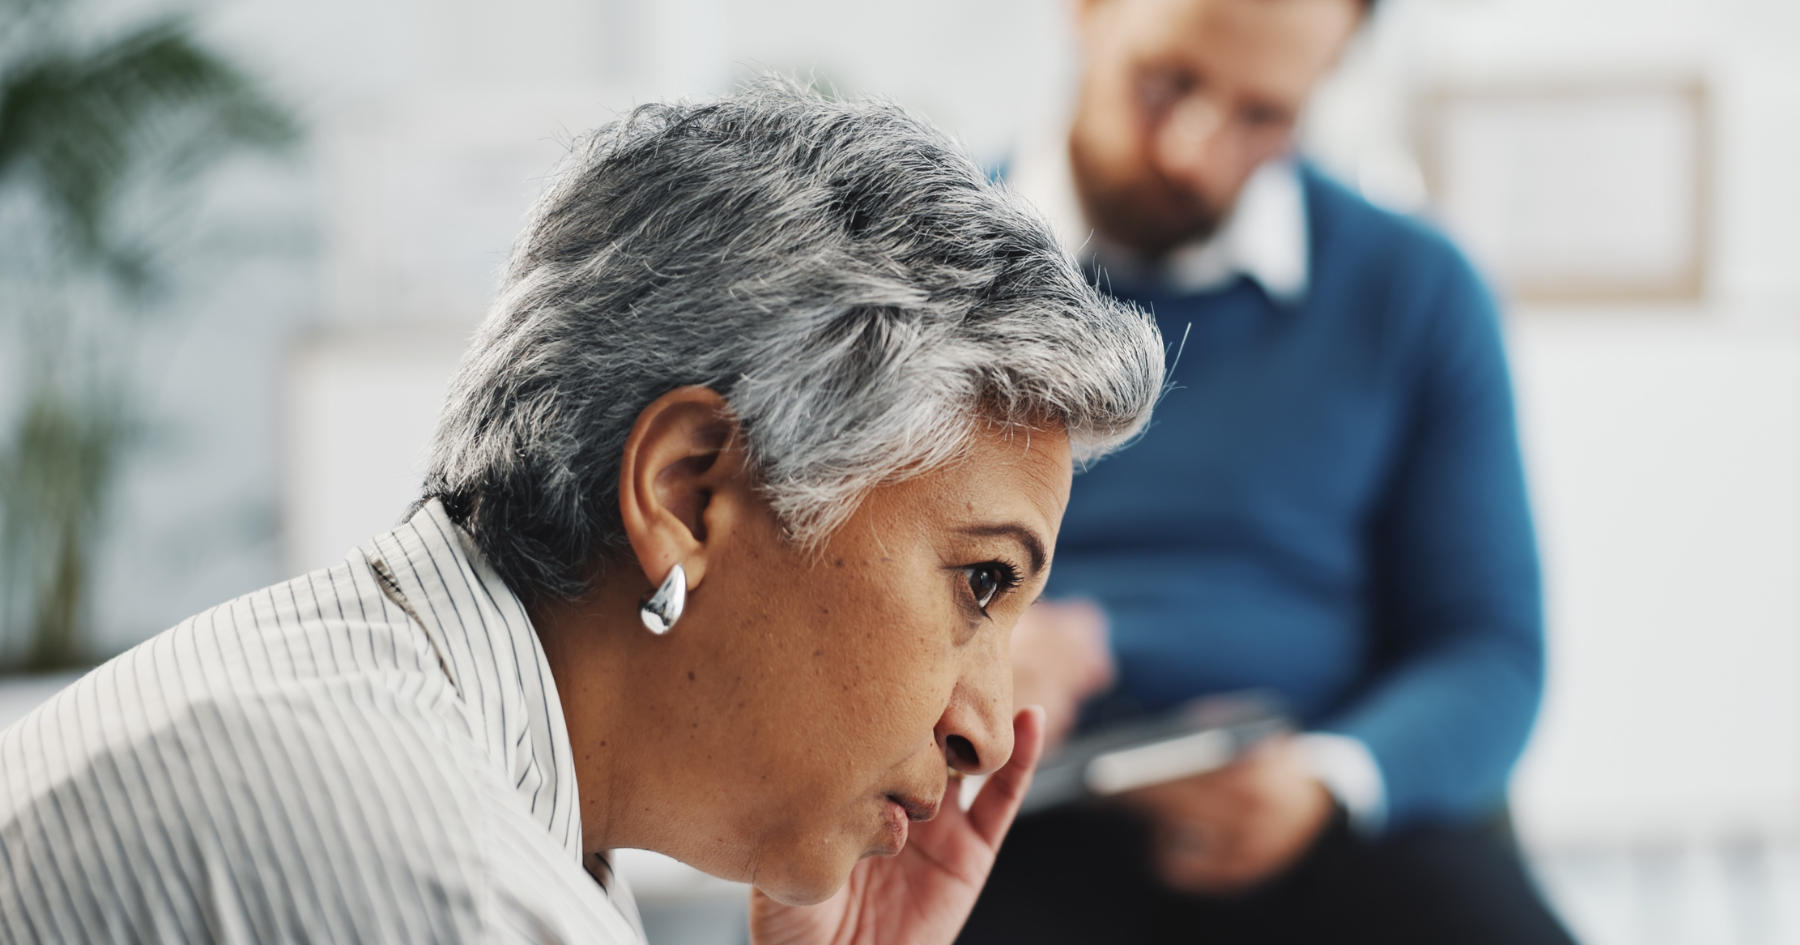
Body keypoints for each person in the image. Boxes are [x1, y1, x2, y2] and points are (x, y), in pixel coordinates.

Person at [0, 80, 1166, 944]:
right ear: (686, 492)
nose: (988, 726)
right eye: (980, 584)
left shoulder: (434, 738)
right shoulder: (435, 866)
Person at [959, 0, 1578, 942]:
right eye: (1166, 85)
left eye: (1264, 117)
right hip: (1009, 819)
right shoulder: (918, 281)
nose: (1193, 154)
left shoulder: (1414, 292)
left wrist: (1332, 778)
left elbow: (1489, 649)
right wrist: (967, 648)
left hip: (1320, 815)